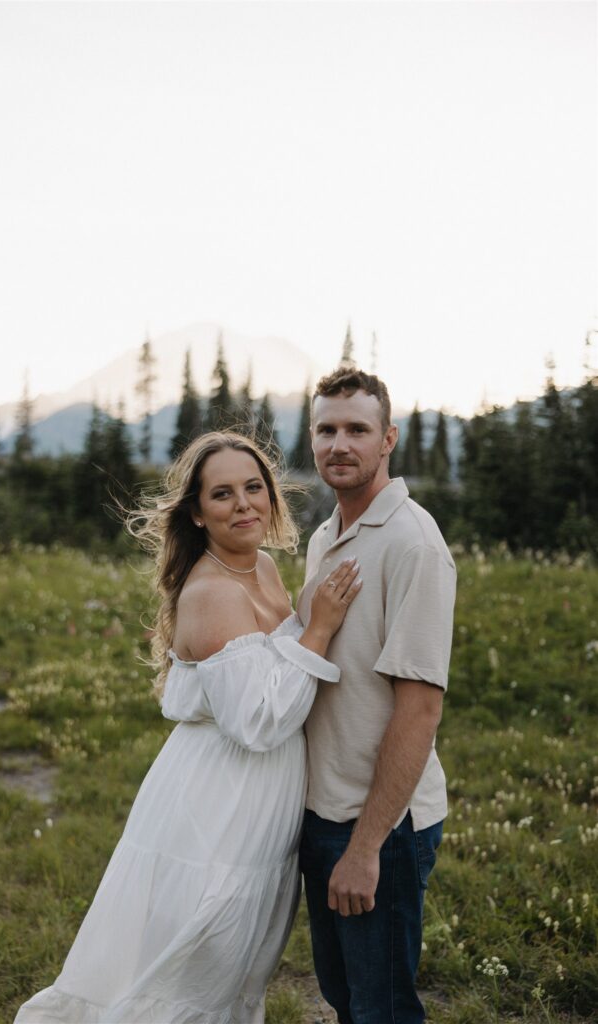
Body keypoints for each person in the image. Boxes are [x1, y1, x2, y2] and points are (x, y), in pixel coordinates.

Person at [14, 430, 361, 1024]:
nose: (244, 504)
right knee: (194, 958)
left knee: (232, 963)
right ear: (197, 513)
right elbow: (256, 722)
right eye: (222, 494)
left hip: (261, 801)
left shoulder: (263, 568)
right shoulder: (211, 592)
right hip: (217, 803)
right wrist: (320, 629)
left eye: (253, 487)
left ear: (272, 495)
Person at [297, 369, 457, 1024]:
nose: (339, 444)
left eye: (357, 430)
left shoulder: (413, 544)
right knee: (344, 998)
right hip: (322, 812)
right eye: (326, 430)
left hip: (380, 826)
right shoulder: (324, 536)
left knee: (381, 1010)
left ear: (387, 439)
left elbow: (419, 709)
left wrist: (365, 849)